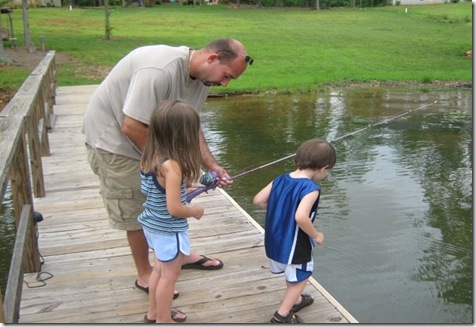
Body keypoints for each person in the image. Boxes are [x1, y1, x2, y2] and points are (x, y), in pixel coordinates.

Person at [83, 39, 252, 299]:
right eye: (226, 75)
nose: (225, 84)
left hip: (150, 141)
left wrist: (212, 165)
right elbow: (131, 126)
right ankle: (145, 273)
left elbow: (191, 126)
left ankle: (177, 255)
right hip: (115, 142)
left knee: (170, 198)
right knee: (136, 207)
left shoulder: (202, 80)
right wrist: (167, 169)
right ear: (212, 58)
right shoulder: (159, 70)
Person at [253, 139, 336, 323]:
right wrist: (316, 235)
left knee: (292, 272)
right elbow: (300, 217)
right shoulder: (310, 188)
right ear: (323, 168)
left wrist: (281, 209)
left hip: (274, 240)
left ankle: (296, 300)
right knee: (301, 276)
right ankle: (281, 316)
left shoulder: (280, 179)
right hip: (295, 244)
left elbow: (258, 200)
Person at [139, 100, 204, 323]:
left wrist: (187, 187)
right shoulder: (173, 167)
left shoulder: (150, 156)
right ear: (182, 135)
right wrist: (194, 210)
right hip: (169, 231)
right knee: (169, 277)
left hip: (152, 226)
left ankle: (154, 313)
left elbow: (157, 189)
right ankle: (163, 320)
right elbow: (175, 208)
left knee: (158, 270)